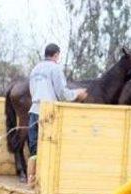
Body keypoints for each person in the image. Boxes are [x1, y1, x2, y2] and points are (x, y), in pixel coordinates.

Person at [28, 43, 87, 179]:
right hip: (48, 113)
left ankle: (31, 180)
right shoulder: (55, 69)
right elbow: (62, 94)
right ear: (56, 55)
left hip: (33, 111)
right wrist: (77, 93)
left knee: (34, 150)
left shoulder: (35, 69)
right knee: (49, 148)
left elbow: (32, 91)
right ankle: (46, 182)